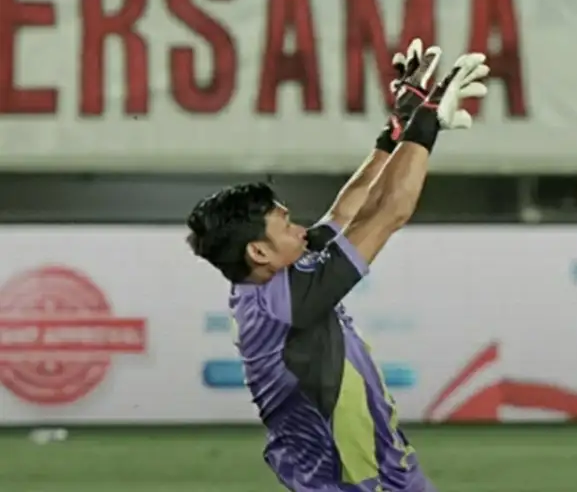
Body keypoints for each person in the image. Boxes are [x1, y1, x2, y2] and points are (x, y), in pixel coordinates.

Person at [186, 42, 488, 492]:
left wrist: (393, 136)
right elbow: (389, 213)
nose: (301, 230)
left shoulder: (271, 280)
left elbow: (347, 213)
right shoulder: (285, 304)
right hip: (347, 479)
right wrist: (423, 128)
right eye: (285, 224)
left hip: (381, 465)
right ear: (259, 252)